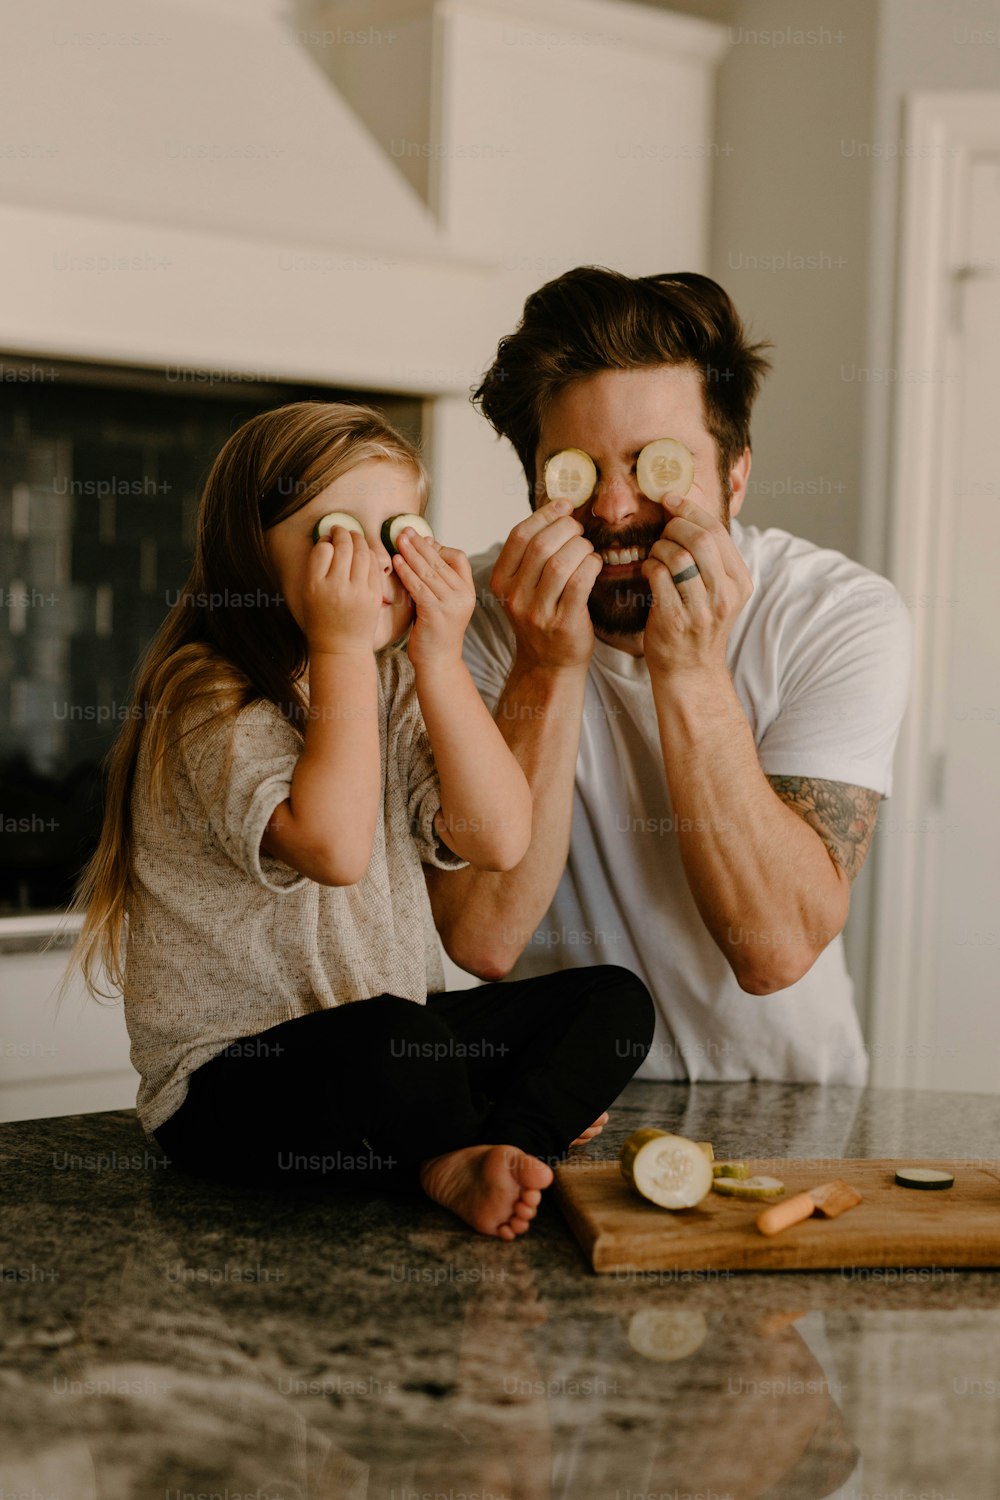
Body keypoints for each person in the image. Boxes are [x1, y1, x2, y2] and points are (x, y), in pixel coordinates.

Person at [62, 401, 655, 1239]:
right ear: (251, 547)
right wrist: (339, 649)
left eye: (400, 531)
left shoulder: (394, 681)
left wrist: (441, 662)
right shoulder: (207, 693)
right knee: (395, 1042)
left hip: (388, 1041)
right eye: (340, 534)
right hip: (233, 1086)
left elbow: (497, 838)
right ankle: (461, 1141)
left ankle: (501, 1151)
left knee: (611, 1001)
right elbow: (334, 849)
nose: (378, 564)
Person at [425, 268, 912, 1086]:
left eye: (655, 466)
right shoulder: (468, 619)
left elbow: (778, 949)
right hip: (558, 1107)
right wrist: (547, 664)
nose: (614, 509)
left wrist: (686, 670)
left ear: (735, 474)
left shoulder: (839, 615)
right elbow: (482, 937)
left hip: (792, 1105)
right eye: (576, 471)